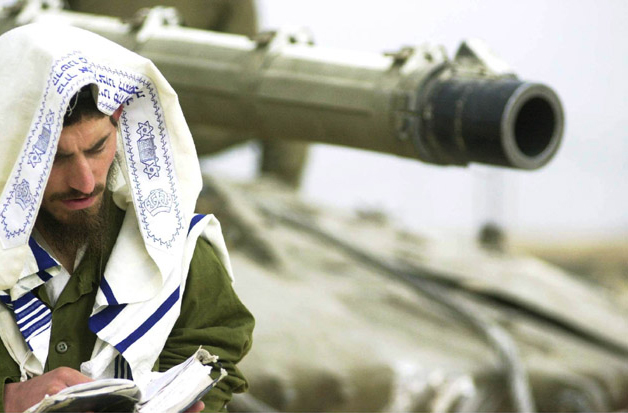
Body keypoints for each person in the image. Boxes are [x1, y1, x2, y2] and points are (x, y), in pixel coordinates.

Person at [0, 23, 254, 412]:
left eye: (98, 147)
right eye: (57, 159)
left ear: (120, 122)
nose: (84, 182)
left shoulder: (169, 250)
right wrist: (8, 398)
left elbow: (215, 348)